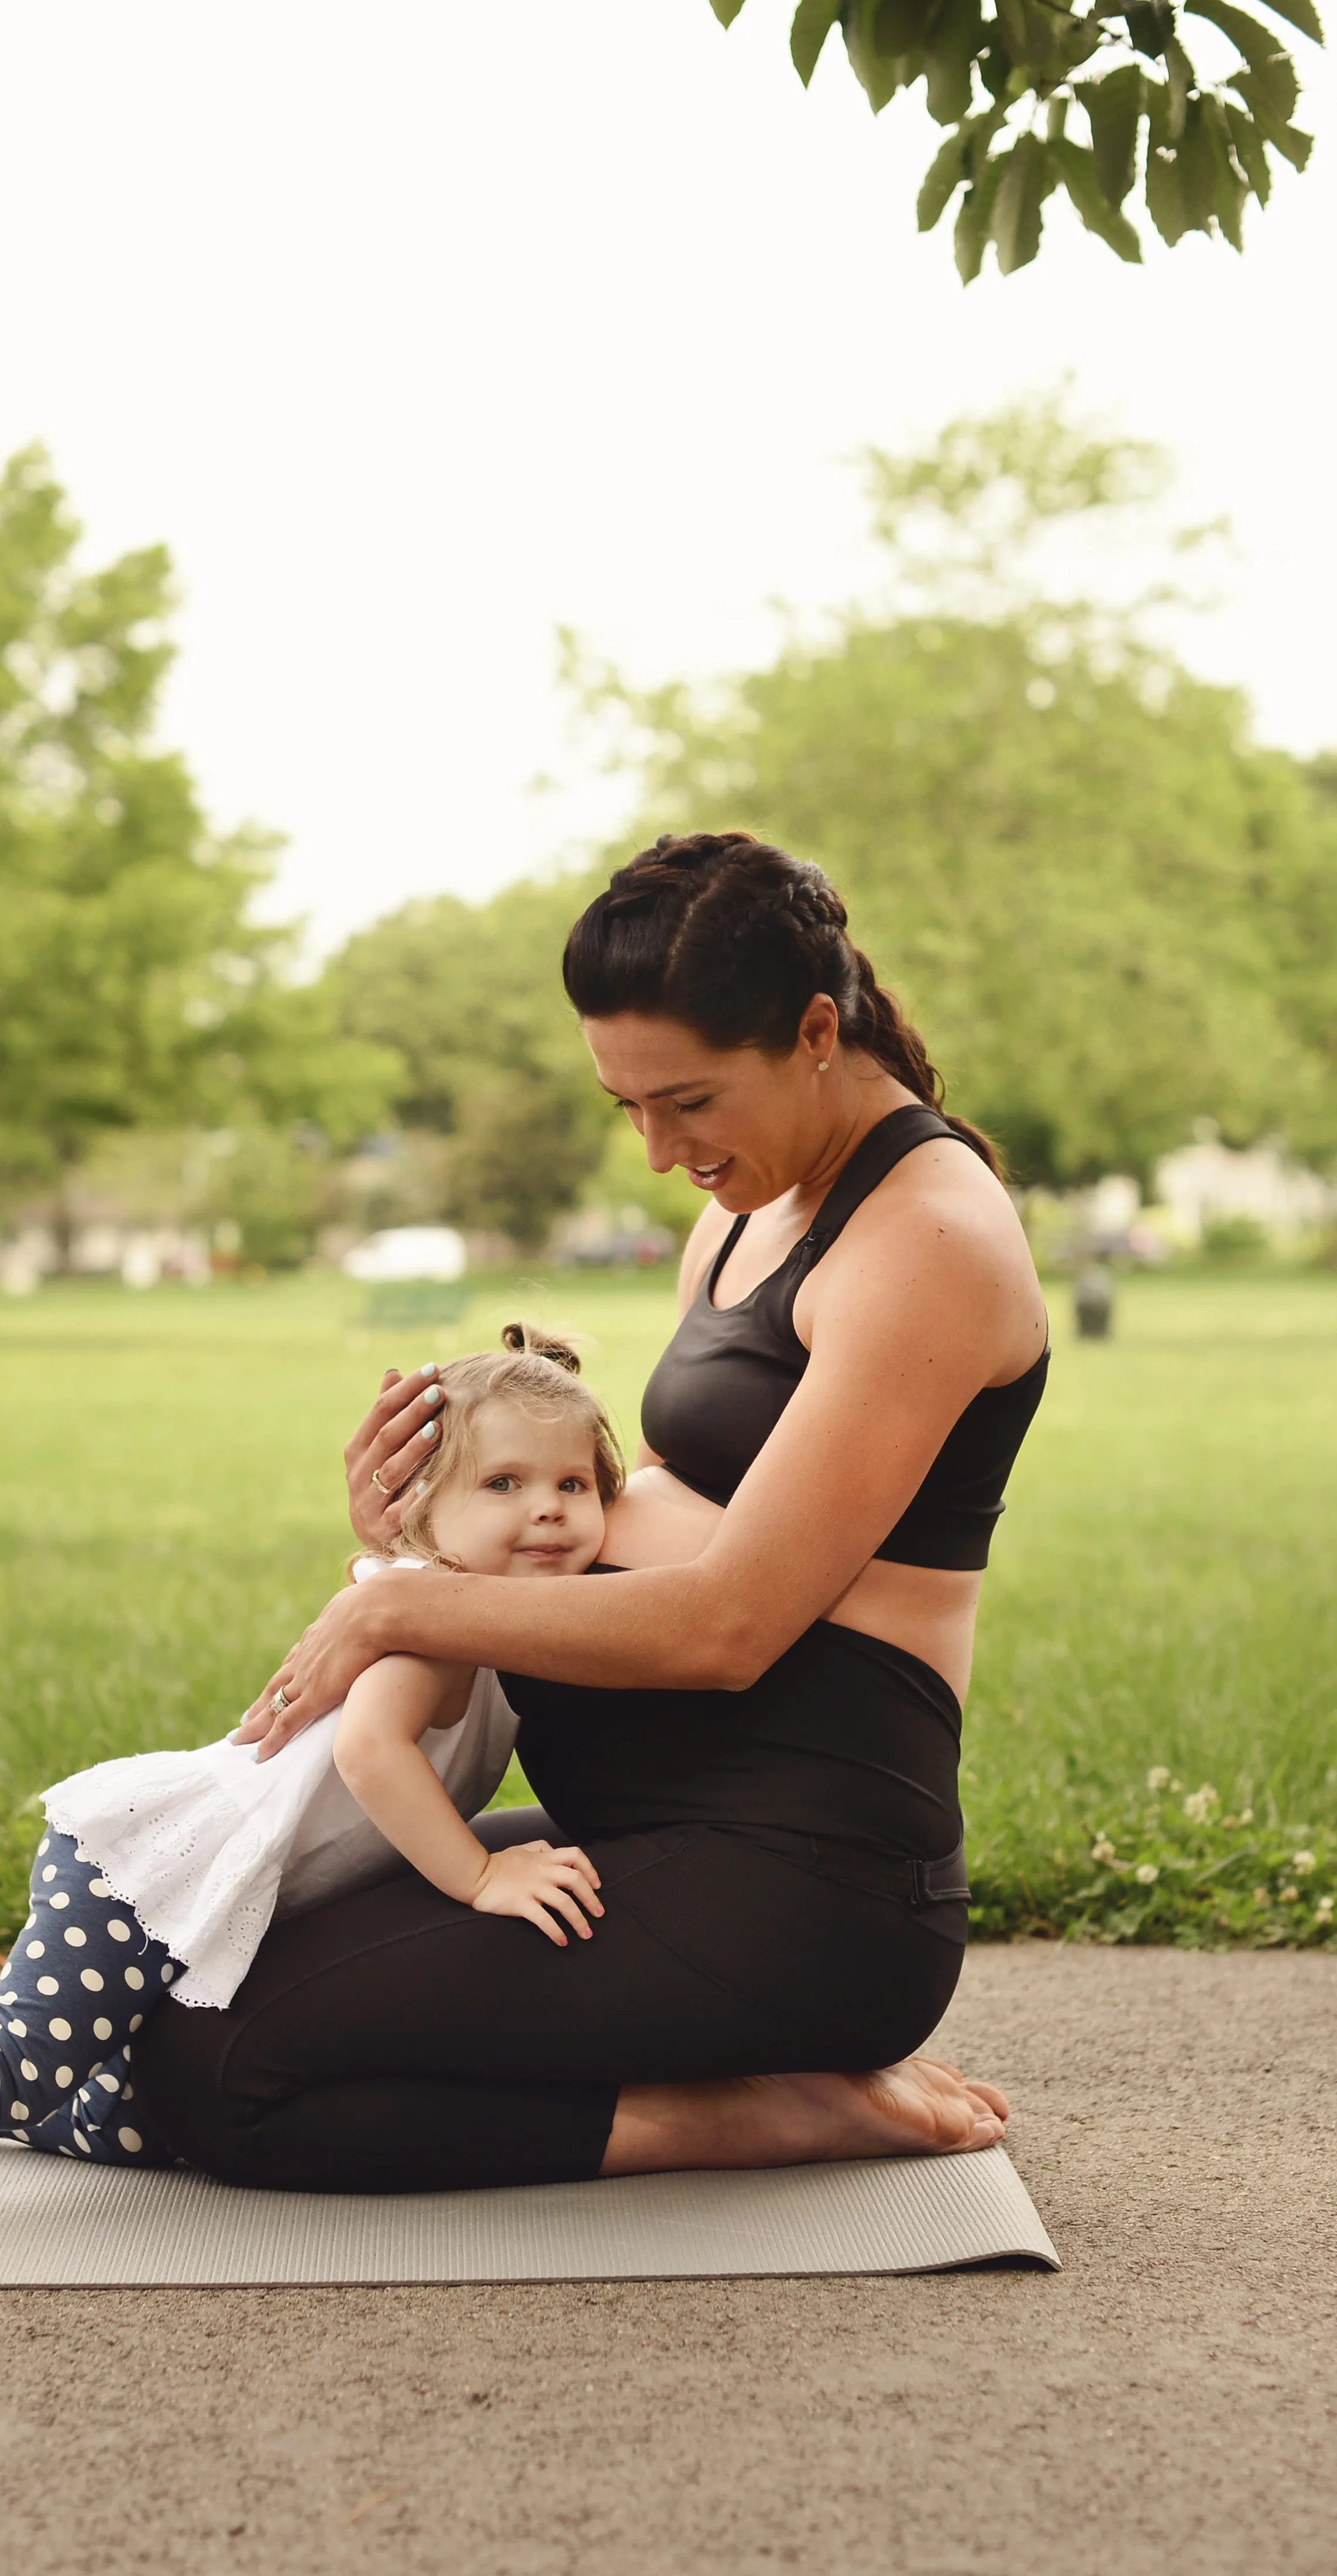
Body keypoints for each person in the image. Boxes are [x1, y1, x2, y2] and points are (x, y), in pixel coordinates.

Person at [126, 831, 1040, 2191]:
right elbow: (667, 1503)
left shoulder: (926, 1239)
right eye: (628, 1109)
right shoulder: (746, 1208)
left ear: (812, 1029)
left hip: (807, 1878)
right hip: (647, 1835)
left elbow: (731, 1622)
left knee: (227, 2081)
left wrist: (401, 1606)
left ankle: (767, 2112)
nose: (662, 1151)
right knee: (180, 1988)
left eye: (686, 1102)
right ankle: (741, 2072)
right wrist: (431, 1527)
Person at [0, 1331, 624, 2208]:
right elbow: (368, 1752)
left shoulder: (475, 1620)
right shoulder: (433, 1624)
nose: (546, 1511)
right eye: (504, 1484)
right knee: (20, 2070)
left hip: (212, 1894)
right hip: (146, 1874)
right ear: (416, 1515)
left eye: (570, 1484)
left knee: (141, 2119)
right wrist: (487, 1874)